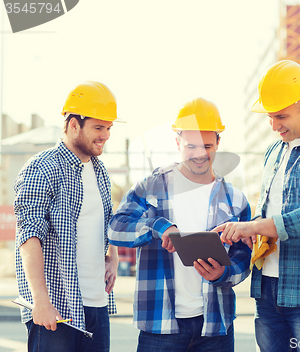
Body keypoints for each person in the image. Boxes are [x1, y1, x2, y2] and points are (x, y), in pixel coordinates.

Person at [215, 60, 300, 352]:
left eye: (281, 116)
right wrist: (247, 228)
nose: (274, 125)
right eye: (269, 117)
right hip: (268, 289)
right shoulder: (274, 151)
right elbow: (266, 210)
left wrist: (254, 225)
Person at [108, 97, 251, 352]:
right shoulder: (151, 187)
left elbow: (245, 255)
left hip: (215, 327)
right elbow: (116, 228)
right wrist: (158, 226)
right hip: (160, 327)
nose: (199, 154)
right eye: (191, 145)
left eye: (207, 145)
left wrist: (225, 274)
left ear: (218, 142)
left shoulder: (235, 199)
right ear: (177, 142)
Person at [14, 81, 120, 352]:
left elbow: (105, 223)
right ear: (74, 124)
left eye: (108, 128)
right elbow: (29, 235)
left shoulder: (100, 171)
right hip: (56, 309)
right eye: (98, 127)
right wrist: (40, 300)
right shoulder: (41, 168)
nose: (106, 135)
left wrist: (113, 255)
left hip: (97, 306)